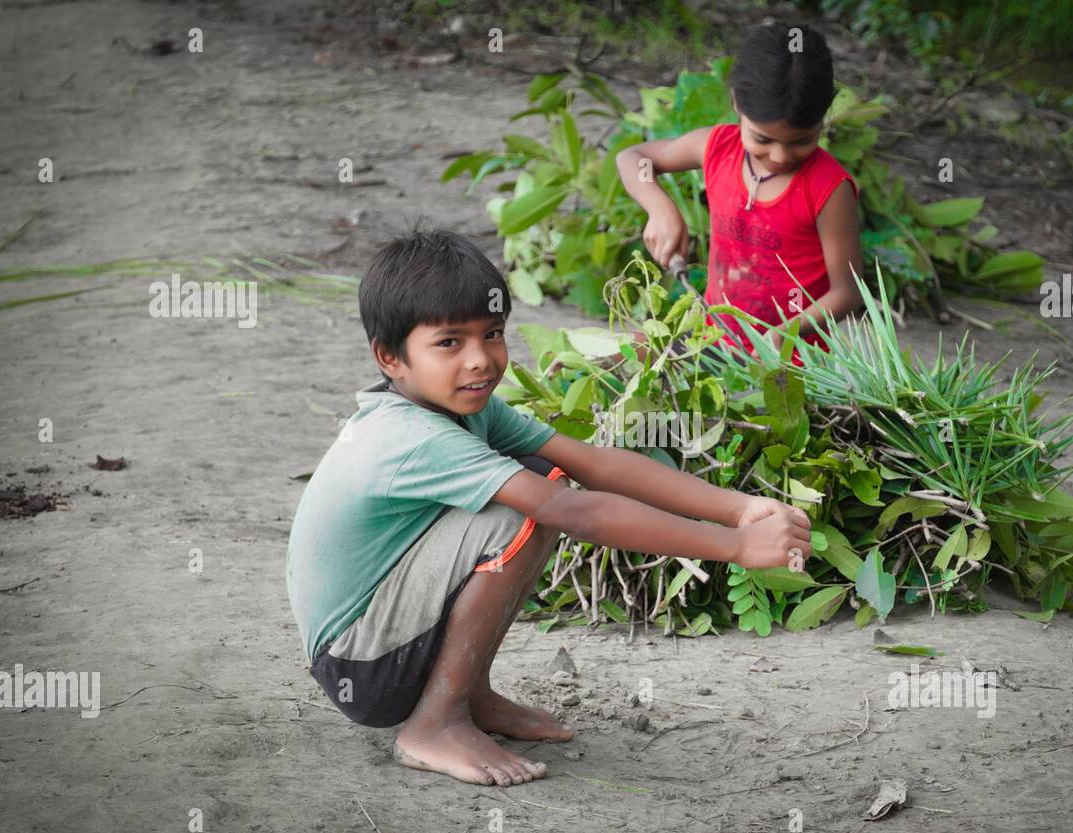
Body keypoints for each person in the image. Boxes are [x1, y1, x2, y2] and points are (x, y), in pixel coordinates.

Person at [285, 228, 811, 787]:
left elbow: (591, 462)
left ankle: (466, 696)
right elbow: (574, 511)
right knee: (524, 510)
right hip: (362, 664)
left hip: (383, 640)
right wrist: (735, 548)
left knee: (538, 480)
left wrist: (737, 508)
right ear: (390, 357)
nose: (480, 361)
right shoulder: (412, 435)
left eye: (492, 334)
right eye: (449, 343)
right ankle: (434, 724)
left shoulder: (464, 409)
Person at [616, 20, 865, 368]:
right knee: (616, 356)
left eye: (802, 141)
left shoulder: (828, 189)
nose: (780, 156)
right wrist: (660, 209)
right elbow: (633, 158)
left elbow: (848, 293)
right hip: (712, 336)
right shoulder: (717, 148)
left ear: (824, 116)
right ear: (736, 103)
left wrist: (786, 331)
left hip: (786, 364)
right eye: (763, 139)